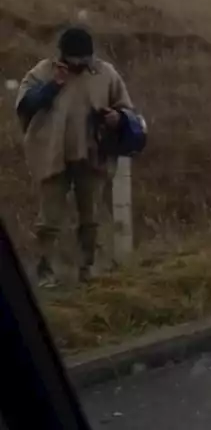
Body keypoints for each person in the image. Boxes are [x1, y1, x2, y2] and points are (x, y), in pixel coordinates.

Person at [14, 27, 133, 287]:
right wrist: (53, 86)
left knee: (90, 219)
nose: (80, 65)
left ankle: (88, 268)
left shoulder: (105, 73)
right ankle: (46, 272)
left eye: (85, 59)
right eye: (75, 59)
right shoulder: (43, 71)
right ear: (63, 55)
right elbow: (24, 104)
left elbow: (127, 110)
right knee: (49, 221)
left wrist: (118, 118)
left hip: (91, 156)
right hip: (51, 155)